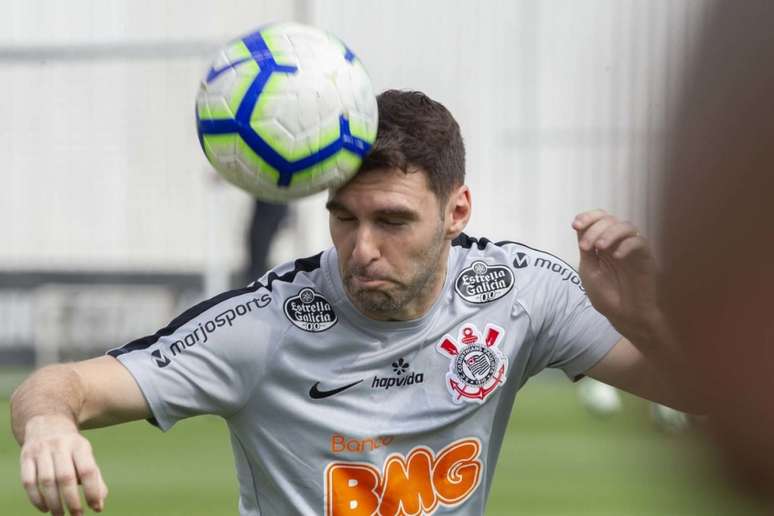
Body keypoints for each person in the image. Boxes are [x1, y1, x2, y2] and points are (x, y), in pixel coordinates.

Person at [11, 90, 695, 516]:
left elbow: (708, 400)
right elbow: (59, 385)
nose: (361, 247)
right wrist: (48, 426)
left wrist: (642, 320)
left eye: (393, 221)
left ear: (457, 210)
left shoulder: (520, 291)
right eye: (344, 218)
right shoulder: (263, 326)